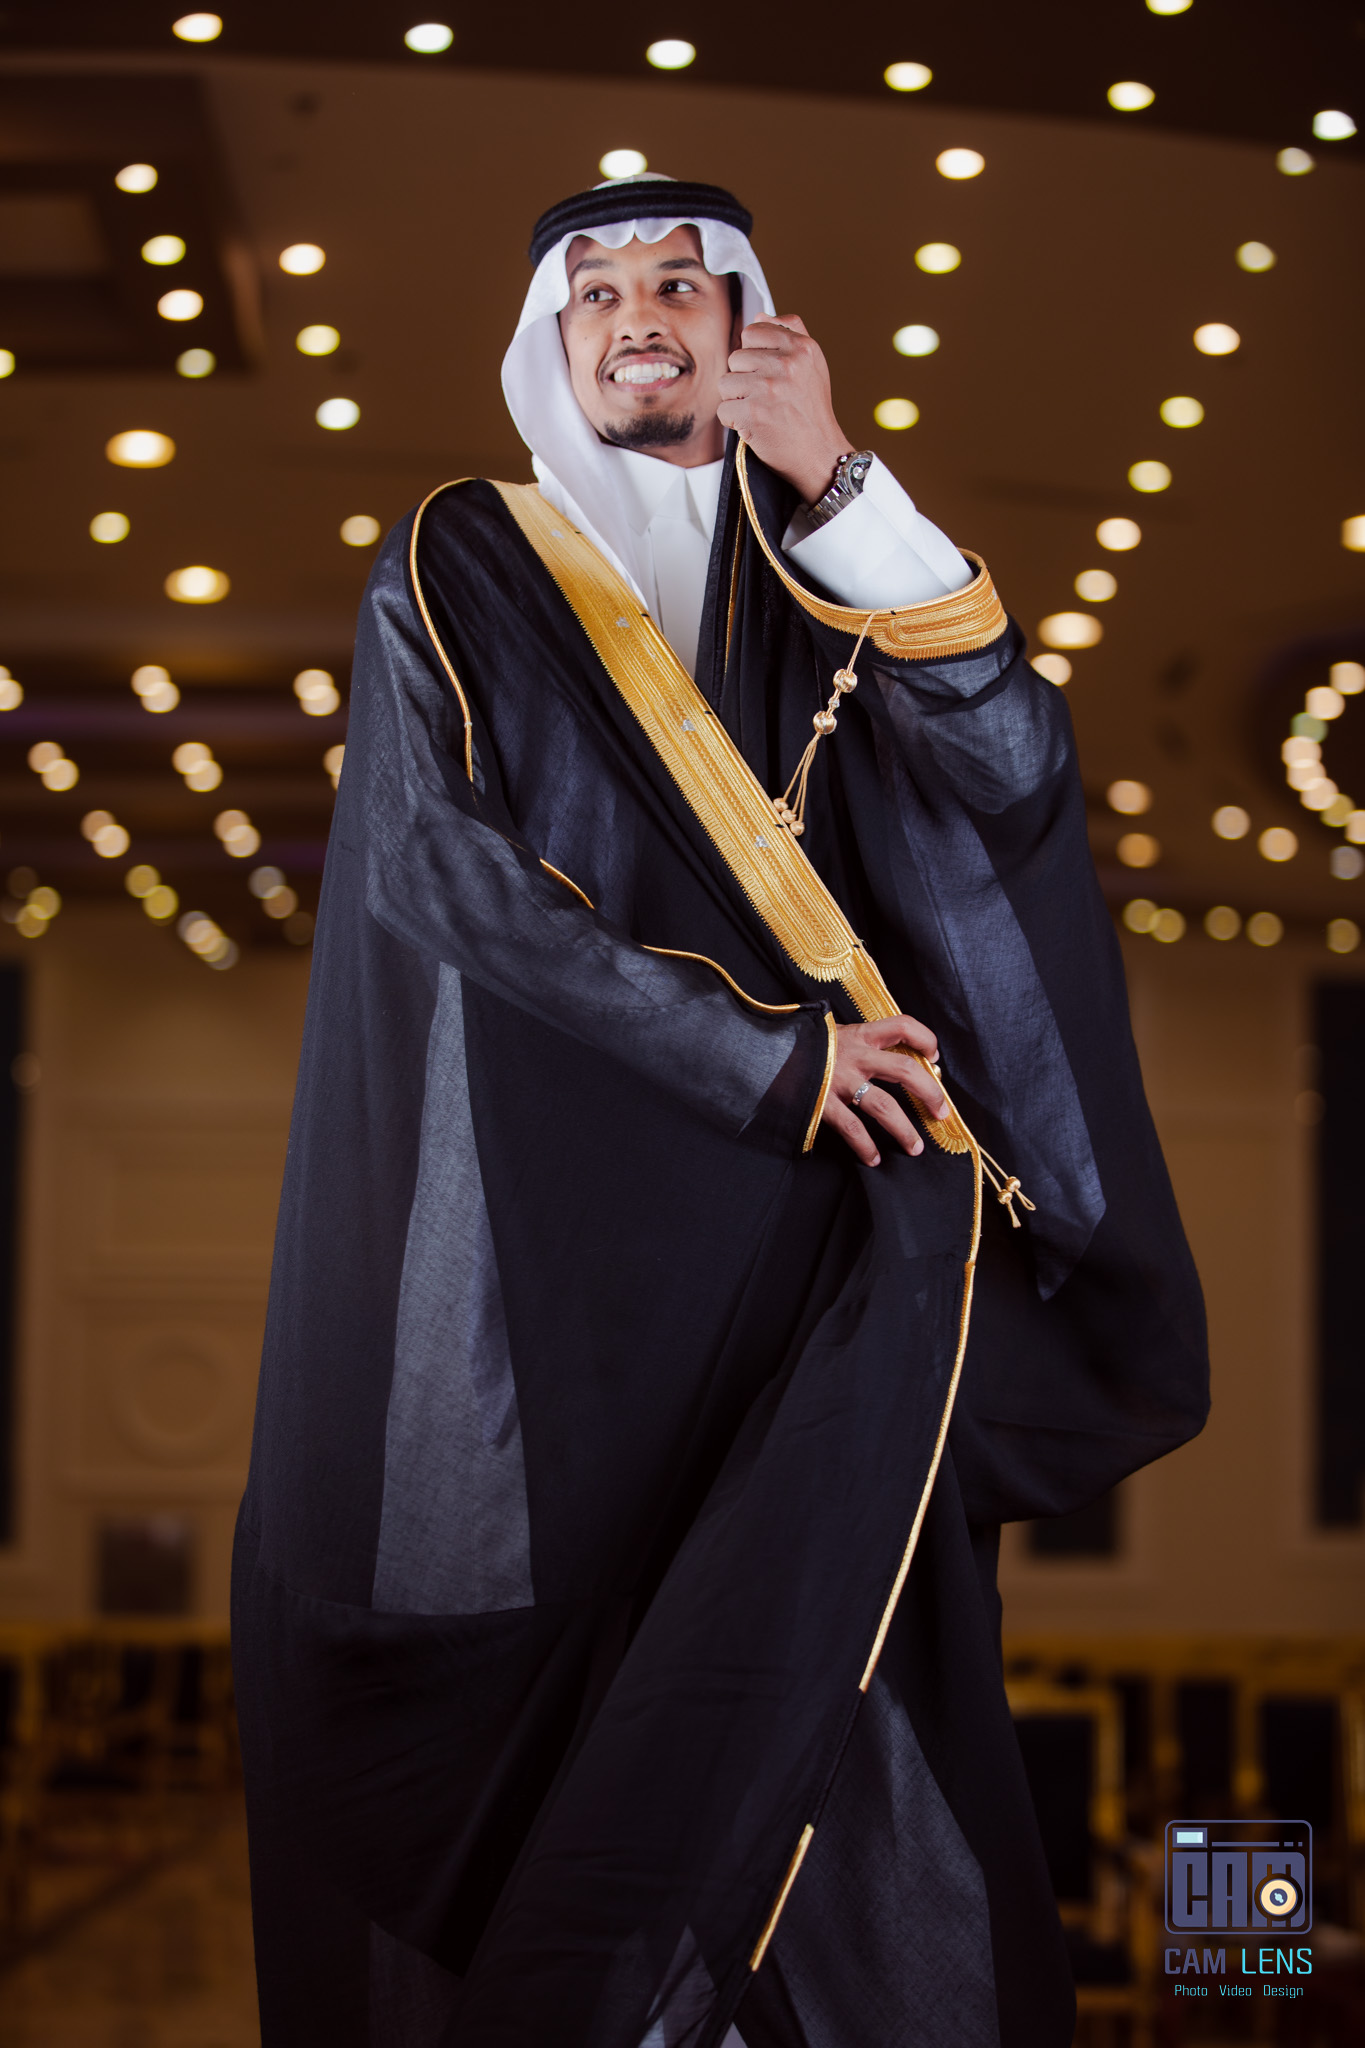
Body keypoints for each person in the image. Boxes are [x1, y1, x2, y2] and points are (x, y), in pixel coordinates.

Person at [232, 175, 1208, 2048]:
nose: (637, 314)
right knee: (568, 1722)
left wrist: (838, 477)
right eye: (595, 290)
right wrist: (765, 1060)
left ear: (747, 319)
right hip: (558, 1254)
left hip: (821, 1250)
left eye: (679, 282)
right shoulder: (463, 557)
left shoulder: (821, 557)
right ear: (553, 339)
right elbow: (439, 871)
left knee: (842, 1710)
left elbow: (1006, 766)